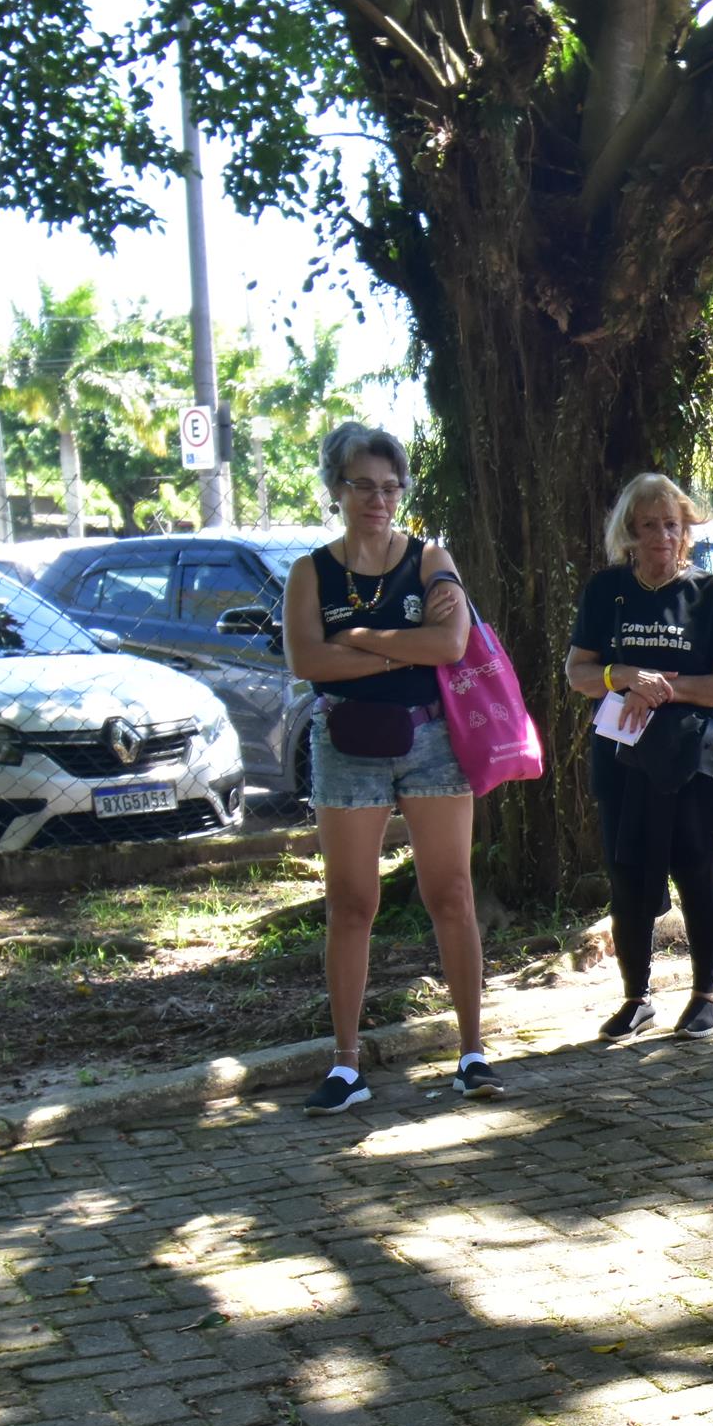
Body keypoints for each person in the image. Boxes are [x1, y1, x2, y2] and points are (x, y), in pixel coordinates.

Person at [281, 421, 499, 1112]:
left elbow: (451, 644)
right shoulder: (311, 572)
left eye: (389, 487)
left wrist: (359, 640)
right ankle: (346, 1066)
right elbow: (307, 660)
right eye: (362, 486)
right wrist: (405, 646)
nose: (378, 500)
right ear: (336, 490)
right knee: (352, 903)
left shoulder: (431, 560)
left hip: (431, 738)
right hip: (345, 742)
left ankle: (472, 1054)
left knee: (451, 892)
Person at [565, 473, 713, 1040]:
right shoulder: (607, 591)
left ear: (686, 529)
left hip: (695, 760)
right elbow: (578, 673)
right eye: (649, 525)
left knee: (699, 872)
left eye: (671, 524)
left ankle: (704, 994)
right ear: (630, 531)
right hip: (623, 759)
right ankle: (637, 997)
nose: (662, 536)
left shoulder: (710, 594)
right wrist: (624, 675)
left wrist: (666, 689)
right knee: (628, 876)